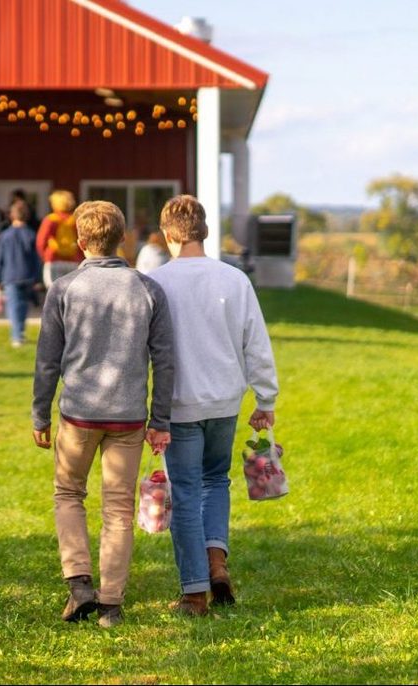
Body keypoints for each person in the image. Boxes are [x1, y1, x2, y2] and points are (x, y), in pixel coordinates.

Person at [31, 200, 174, 629]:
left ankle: (79, 584)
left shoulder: (65, 289)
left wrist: (40, 414)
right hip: (128, 416)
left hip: (78, 414)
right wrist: (160, 420)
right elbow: (164, 360)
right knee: (117, 509)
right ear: (122, 240)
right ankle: (110, 603)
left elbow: (47, 361)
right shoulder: (147, 289)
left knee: (68, 494)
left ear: (79, 242)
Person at [147, 195, 279, 617]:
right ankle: (217, 561)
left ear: (168, 235)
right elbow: (255, 342)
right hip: (225, 399)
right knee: (215, 481)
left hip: (178, 403)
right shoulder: (234, 279)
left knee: (185, 493)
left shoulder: (157, 282)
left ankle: (194, 593)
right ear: (203, 230)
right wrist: (266, 398)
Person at [0, 202, 42, 348]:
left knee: (13, 306)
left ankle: (16, 335)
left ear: (11, 215)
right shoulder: (31, 234)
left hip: (10, 275)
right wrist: (37, 278)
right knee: (23, 305)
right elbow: (36, 259)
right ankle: (20, 332)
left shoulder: (4, 236)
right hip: (27, 274)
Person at [36, 190, 82, 288]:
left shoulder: (50, 219)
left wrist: (45, 257)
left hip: (53, 259)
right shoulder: (76, 220)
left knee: (54, 292)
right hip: (73, 260)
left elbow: (41, 242)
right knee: (70, 292)